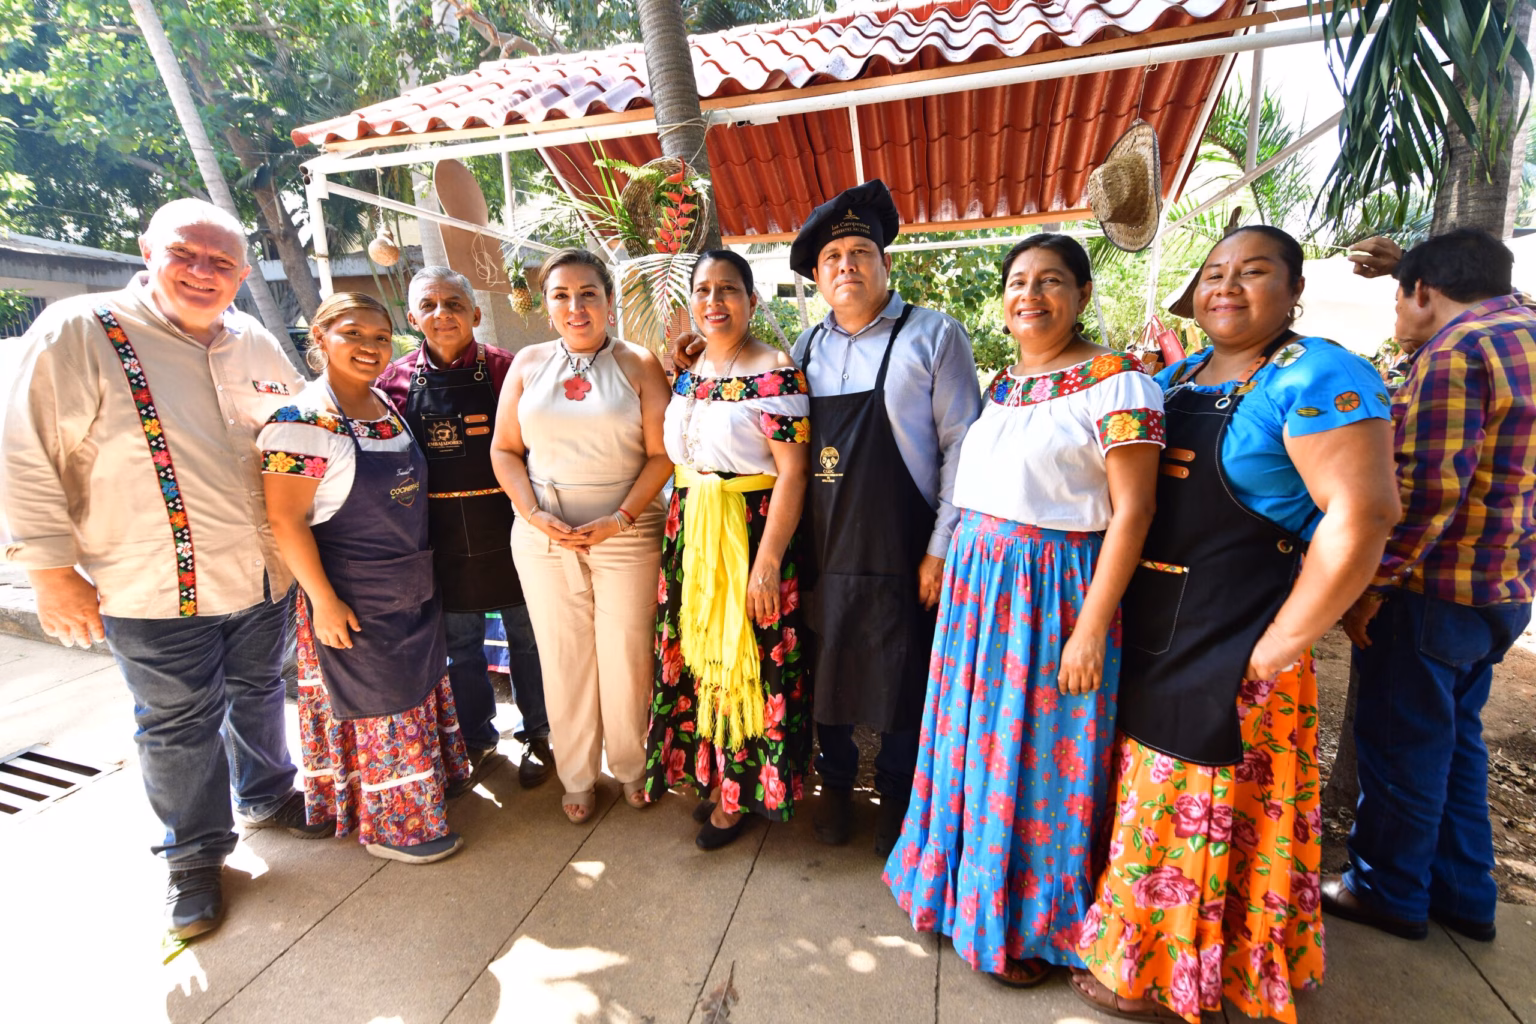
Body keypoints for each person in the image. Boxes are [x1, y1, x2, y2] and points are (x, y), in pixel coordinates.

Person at [1072, 226, 1401, 1024]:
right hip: (1158, 626)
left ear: (1294, 290)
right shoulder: (1176, 377)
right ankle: (1173, 956)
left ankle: (1161, 977)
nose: (1225, 286)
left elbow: (1362, 515)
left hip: (1238, 640)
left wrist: (1285, 641)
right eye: (1214, 272)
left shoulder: (1318, 375)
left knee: (1190, 804)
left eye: (1252, 271)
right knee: (1148, 798)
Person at [0, 198, 328, 941]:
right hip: (151, 585)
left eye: (222, 262)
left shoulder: (252, 341)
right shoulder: (81, 330)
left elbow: (302, 431)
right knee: (178, 724)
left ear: (242, 274)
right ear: (148, 251)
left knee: (256, 690)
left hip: (262, 574)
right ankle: (194, 857)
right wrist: (51, 571)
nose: (203, 271)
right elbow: (24, 451)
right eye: (186, 254)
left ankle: (267, 793)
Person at [670, 180, 982, 854]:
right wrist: (700, 355)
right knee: (825, 659)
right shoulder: (804, 349)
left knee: (904, 667)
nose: (847, 266)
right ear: (816, 274)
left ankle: (897, 792)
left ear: (884, 262)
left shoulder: (933, 335)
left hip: (903, 540)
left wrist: (941, 546)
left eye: (860, 252)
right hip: (824, 540)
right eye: (832, 257)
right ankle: (835, 785)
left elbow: (965, 446)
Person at [884, 235, 1161, 986]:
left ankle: (1024, 925)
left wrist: (1091, 628)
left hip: (1050, 597)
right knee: (970, 747)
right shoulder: (1004, 384)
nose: (1030, 295)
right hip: (978, 590)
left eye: (1051, 281)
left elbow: (1134, 513)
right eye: (1018, 282)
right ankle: (958, 895)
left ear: (1083, 293)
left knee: (1034, 757)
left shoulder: (1120, 383)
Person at [1332, 230, 1536, 944]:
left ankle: (1387, 889)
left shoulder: (1456, 352)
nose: (1397, 315)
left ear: (1422, 290)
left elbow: (1425, 490)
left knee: (1403, 746)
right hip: (1504, 587)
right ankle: (1463, 892)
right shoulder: (1524, 332)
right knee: (1456, 742)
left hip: (1434, 588)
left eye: (1400, 297)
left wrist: (1372, 585)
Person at [259, 292, 468, 863]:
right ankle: (393, 828)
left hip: (408, 583)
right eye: (353, 334)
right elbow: (285, 519)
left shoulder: (384, 406)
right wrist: (323, 601)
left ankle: (426, 788)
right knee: (380, 701)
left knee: (413, 690)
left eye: (380, 337)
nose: (370, 347)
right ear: (320, 337)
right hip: (352, 595)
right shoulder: (302, 422)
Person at [490, 248, 672, 824]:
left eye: (588, 293)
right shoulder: (527, 364)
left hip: (627, 532)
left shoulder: (638, 363)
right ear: (546, 305)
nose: (576, 306)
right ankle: (576, 774)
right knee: (562, 656)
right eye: (561, 295)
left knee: (626, 654)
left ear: (609, 301)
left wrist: (620, 518)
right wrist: (531, 512)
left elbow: (663, 455)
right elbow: (504, 450)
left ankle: (632, 765)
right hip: (544, 537)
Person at [642, 251, 813, 850]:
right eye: (703, 290)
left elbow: (793, 474)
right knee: (702, 655)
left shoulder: (776, 371)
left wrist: (767, 563)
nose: (715, 301)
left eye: (729, 290)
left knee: (748, 662)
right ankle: (713, 777)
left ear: (752, 300)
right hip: (691, 531)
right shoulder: (689, 370)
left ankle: (741, 793)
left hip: (749, 531)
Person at [377, 267, 552, 793]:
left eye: (454, 303)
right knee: (460, 646)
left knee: (529, 639)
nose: (443, 314)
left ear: (475, 313)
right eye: (429, 305)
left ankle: (541, 733)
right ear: (412, 319)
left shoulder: (508, 370)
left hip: (511, 523)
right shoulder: (391, 384)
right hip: (440, 535)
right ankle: (474, 737)